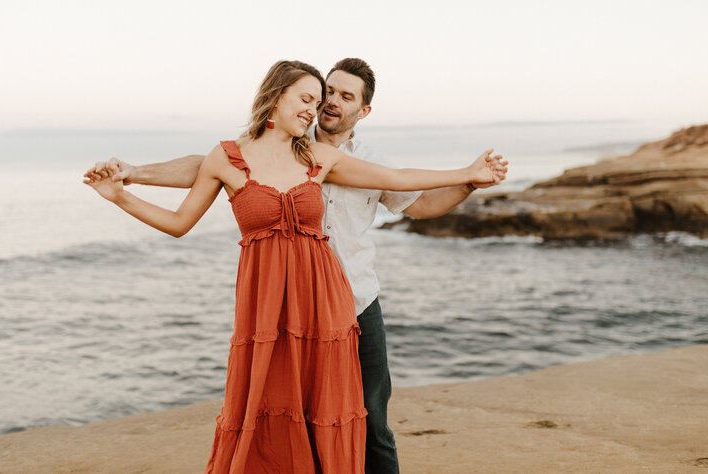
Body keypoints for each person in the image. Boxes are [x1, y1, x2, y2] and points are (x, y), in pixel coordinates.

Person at [84, 59, 507, 473]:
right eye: (311, 97)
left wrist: (468, 175)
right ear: (275, 96)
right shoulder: (233, 158)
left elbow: (401, 182)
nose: (318, 106)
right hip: (269, 309)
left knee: (355, 416)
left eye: (332, 98)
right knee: (273, 414)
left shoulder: (319, 158)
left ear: (363, 108)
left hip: (339, 302)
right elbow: (185, 209)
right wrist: (125, 188)